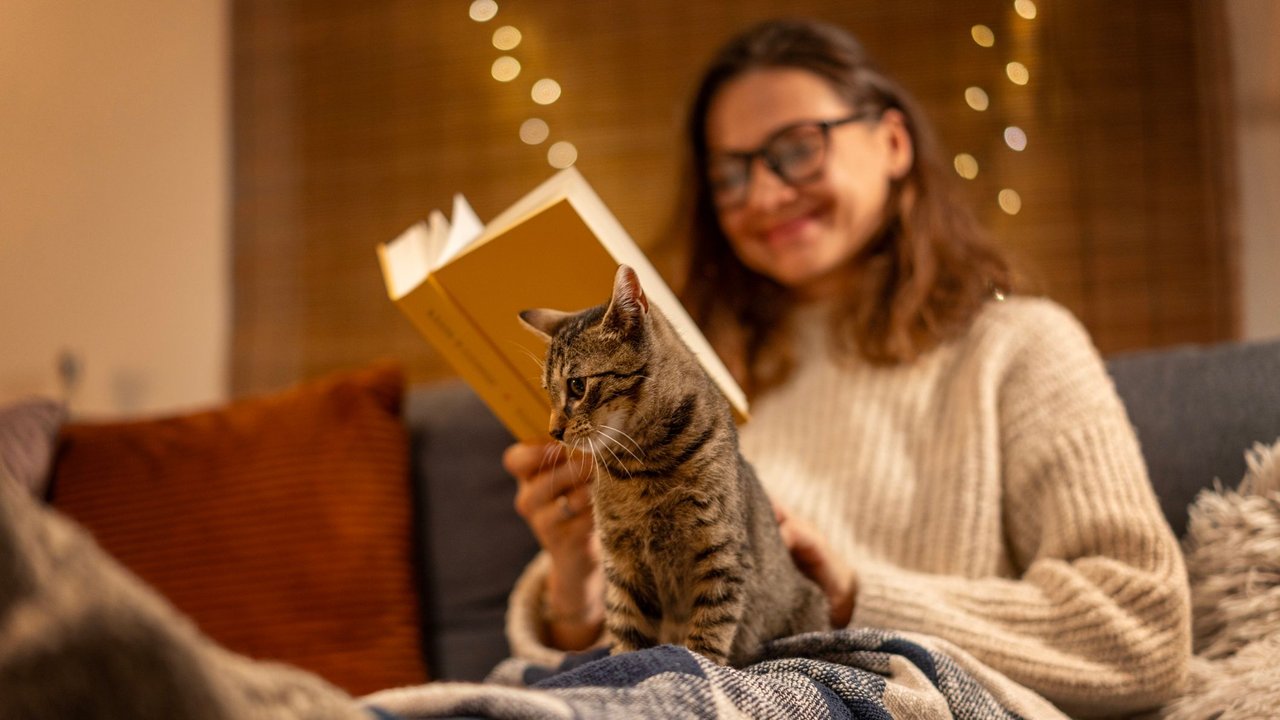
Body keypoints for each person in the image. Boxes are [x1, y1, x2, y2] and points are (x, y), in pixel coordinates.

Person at [502, 18, 1191, 718]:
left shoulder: (1020, 349)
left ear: (893, 142)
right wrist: (575, 573)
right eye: (730, 174)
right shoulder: (683, 371)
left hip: (880, 692)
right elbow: (615, 656)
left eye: (797, 150)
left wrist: (852, 594)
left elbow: (1145, 632)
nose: (764, 196)